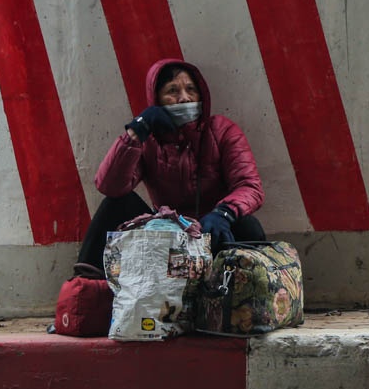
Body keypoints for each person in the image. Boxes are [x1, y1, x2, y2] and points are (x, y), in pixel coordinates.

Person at [78, 58, 266, 271]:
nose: (184, 98)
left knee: (247, 226)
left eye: (190, 90)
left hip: (214, 229)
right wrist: (137, 131)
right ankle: (86, 288)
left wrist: (223, 213)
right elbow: (109, 186)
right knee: (115, 205)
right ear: (157, 100)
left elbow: (250, 186)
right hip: (166, 233)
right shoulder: (149, 140)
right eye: (173, 91)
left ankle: (245, 294)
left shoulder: (222, 131)